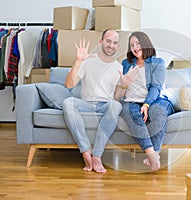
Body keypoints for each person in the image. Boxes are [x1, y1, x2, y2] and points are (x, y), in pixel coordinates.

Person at [62, 29, 123, 173]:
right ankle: (85, 150)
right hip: (87, 104)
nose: (111, 45)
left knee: (116, 105)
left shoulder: (119, 67)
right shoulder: (88, 60)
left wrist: (124, 85)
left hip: (106, 105)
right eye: (108, 41)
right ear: (101, 42)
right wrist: (78, 61)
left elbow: (117, 97)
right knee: (67, 103)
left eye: (115, 43)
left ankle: (97, 155)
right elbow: (69, 85)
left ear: (118, 46)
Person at [115, 31, 174, 171]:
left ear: (145, 43)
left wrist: (147, 104)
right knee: (129, 112)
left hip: (155, 100)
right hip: (131, 101)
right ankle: (151, 154)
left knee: (158, 111)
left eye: (138, 43)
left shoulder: (157, 62)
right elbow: (122, 86)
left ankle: (155, 154)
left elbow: (156, 87)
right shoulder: (126, 63)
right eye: (131, 45)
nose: (135, 47)